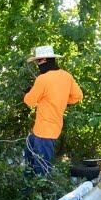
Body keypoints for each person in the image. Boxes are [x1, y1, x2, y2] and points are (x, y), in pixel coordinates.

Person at [23, 45, 83, 175]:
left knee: (41, 169)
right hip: (49, 129)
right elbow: (78, 96)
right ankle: (29, 190)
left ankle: (40, 193)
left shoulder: (43, 79)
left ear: (44, 60)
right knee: (31, 159)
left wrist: (28, 92)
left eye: (38, 61)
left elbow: (29, 101)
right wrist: (59, 100)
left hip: (43, 132)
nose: (37, 65)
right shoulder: (67, 76)